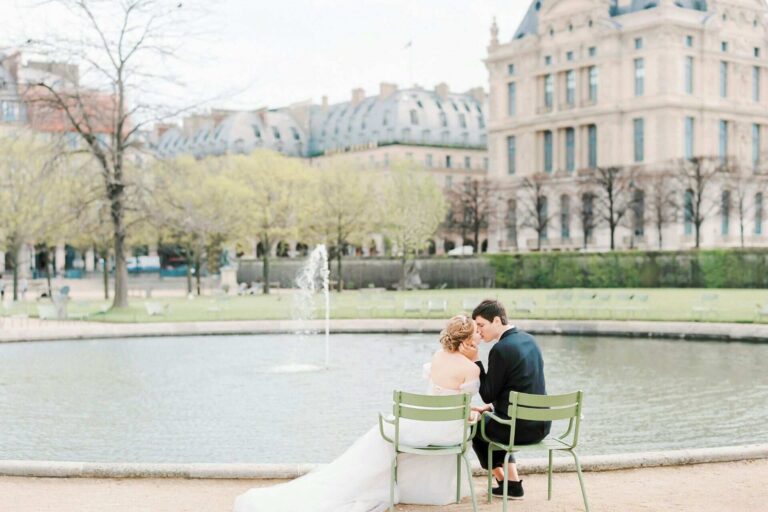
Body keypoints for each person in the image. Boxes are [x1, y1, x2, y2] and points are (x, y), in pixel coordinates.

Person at [233, 315, 482, 512]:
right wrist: (475, 364)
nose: (479, 337)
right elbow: (461, 402)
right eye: (475, 334)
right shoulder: (471, 368)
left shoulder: (437, 357)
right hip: (447, 431)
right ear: (466, 340)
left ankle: (361, 482)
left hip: (425, 422)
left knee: (383, 433)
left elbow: (442, 395)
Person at [459, 299, 550, 501]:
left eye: (481, 325)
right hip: (541, 425)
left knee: (477, 428)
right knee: (493, 421)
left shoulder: (501, 349)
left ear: (497, 321)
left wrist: (475, 360)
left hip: (518, 429)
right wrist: (491, 408)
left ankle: (506, 483)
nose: (479, 331)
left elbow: (488, 393)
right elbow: (523, 385)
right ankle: (513, 484)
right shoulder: (530, 340)